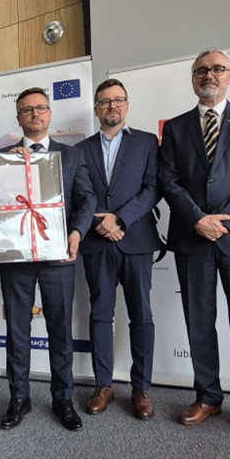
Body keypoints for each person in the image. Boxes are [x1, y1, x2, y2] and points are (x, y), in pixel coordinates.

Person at [157, 49, 230, 440]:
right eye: (201, 70)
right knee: (199, 322)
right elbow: (168, 179)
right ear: (193, 79)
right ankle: (207, 396)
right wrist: (198, 219)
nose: (209, 75)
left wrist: (224, 220)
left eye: (217, 69)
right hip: (192, 237)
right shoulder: (175, 127)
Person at [0, 87, 96, 431]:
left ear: (50, 114)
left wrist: (77, 232)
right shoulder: (2, 157)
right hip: (16, 257)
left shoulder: (71, 156)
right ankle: (18, 398)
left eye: (40, 108)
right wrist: (5, 169)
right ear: (19, 118)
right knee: (17, 330)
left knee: (59, 329)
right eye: (27, 110)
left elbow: (87, 198)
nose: (35, 114)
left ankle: (62, 398)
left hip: (58, 256)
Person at [75, 79, 161, 419]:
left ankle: (142, 387)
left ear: (127, 105)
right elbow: (81, 192)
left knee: (142, 315)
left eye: (118, 100)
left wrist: (120, 219)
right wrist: (102, 220)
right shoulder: (81, 149)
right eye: (105, 101)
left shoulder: (147, 142)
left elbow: (153, 189)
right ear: (96, 108)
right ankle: (103, 384)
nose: (112, 106)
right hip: (97, 241)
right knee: (100, 314)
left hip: (135, 239)